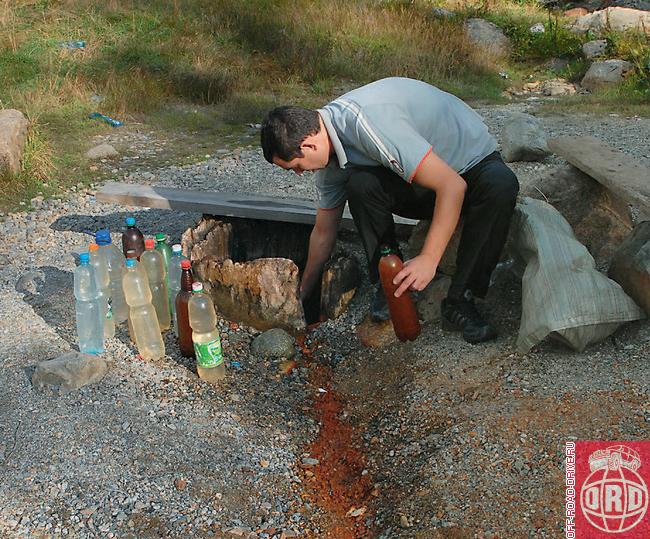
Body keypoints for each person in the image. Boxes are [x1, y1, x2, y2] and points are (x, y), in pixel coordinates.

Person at [260, 77, 518, 343]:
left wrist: (429, 259)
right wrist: (303, 294)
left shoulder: (368, 123)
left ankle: (461, 299)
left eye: (296, 167)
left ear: (309, 145)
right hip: (427, 177)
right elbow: (324, 232)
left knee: (502, 185)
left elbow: (452, 186)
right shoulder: (329, 155)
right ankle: (389, 281)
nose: (300, 174)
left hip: (469, 164)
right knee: (360, 184)